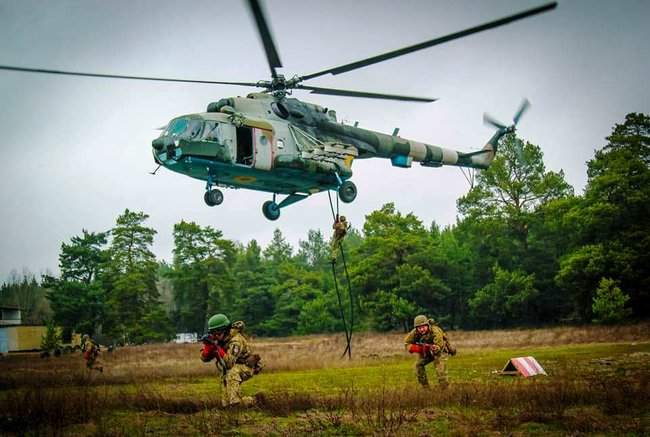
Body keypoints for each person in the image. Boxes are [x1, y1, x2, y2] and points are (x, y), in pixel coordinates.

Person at [200, 313, 262, 407]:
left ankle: (238, 403)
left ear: (225, 331)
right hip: (231, 368)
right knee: (226, 404)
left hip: (246, 367)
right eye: (212, 333)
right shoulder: (219, 339)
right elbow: (204, 359)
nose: (215, 336)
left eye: (217, 333)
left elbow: (229, 363)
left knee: (232, 372)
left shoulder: (236, 341)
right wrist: (208, 347)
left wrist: (216, 347)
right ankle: (251, 401)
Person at [404, 315, 456, 388]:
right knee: (418, 365)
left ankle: (445, 389)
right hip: (425, 351)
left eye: (423, 327)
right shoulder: (414, 333)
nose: (421, 329)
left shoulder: (435, 331)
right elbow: (407, 344)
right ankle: (425, 388)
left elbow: (439, 346)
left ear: (427, 325)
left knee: (439, 369)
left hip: (439, 351)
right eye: (419, 328)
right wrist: (418, 349)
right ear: (416, 328)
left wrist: (435, 348)